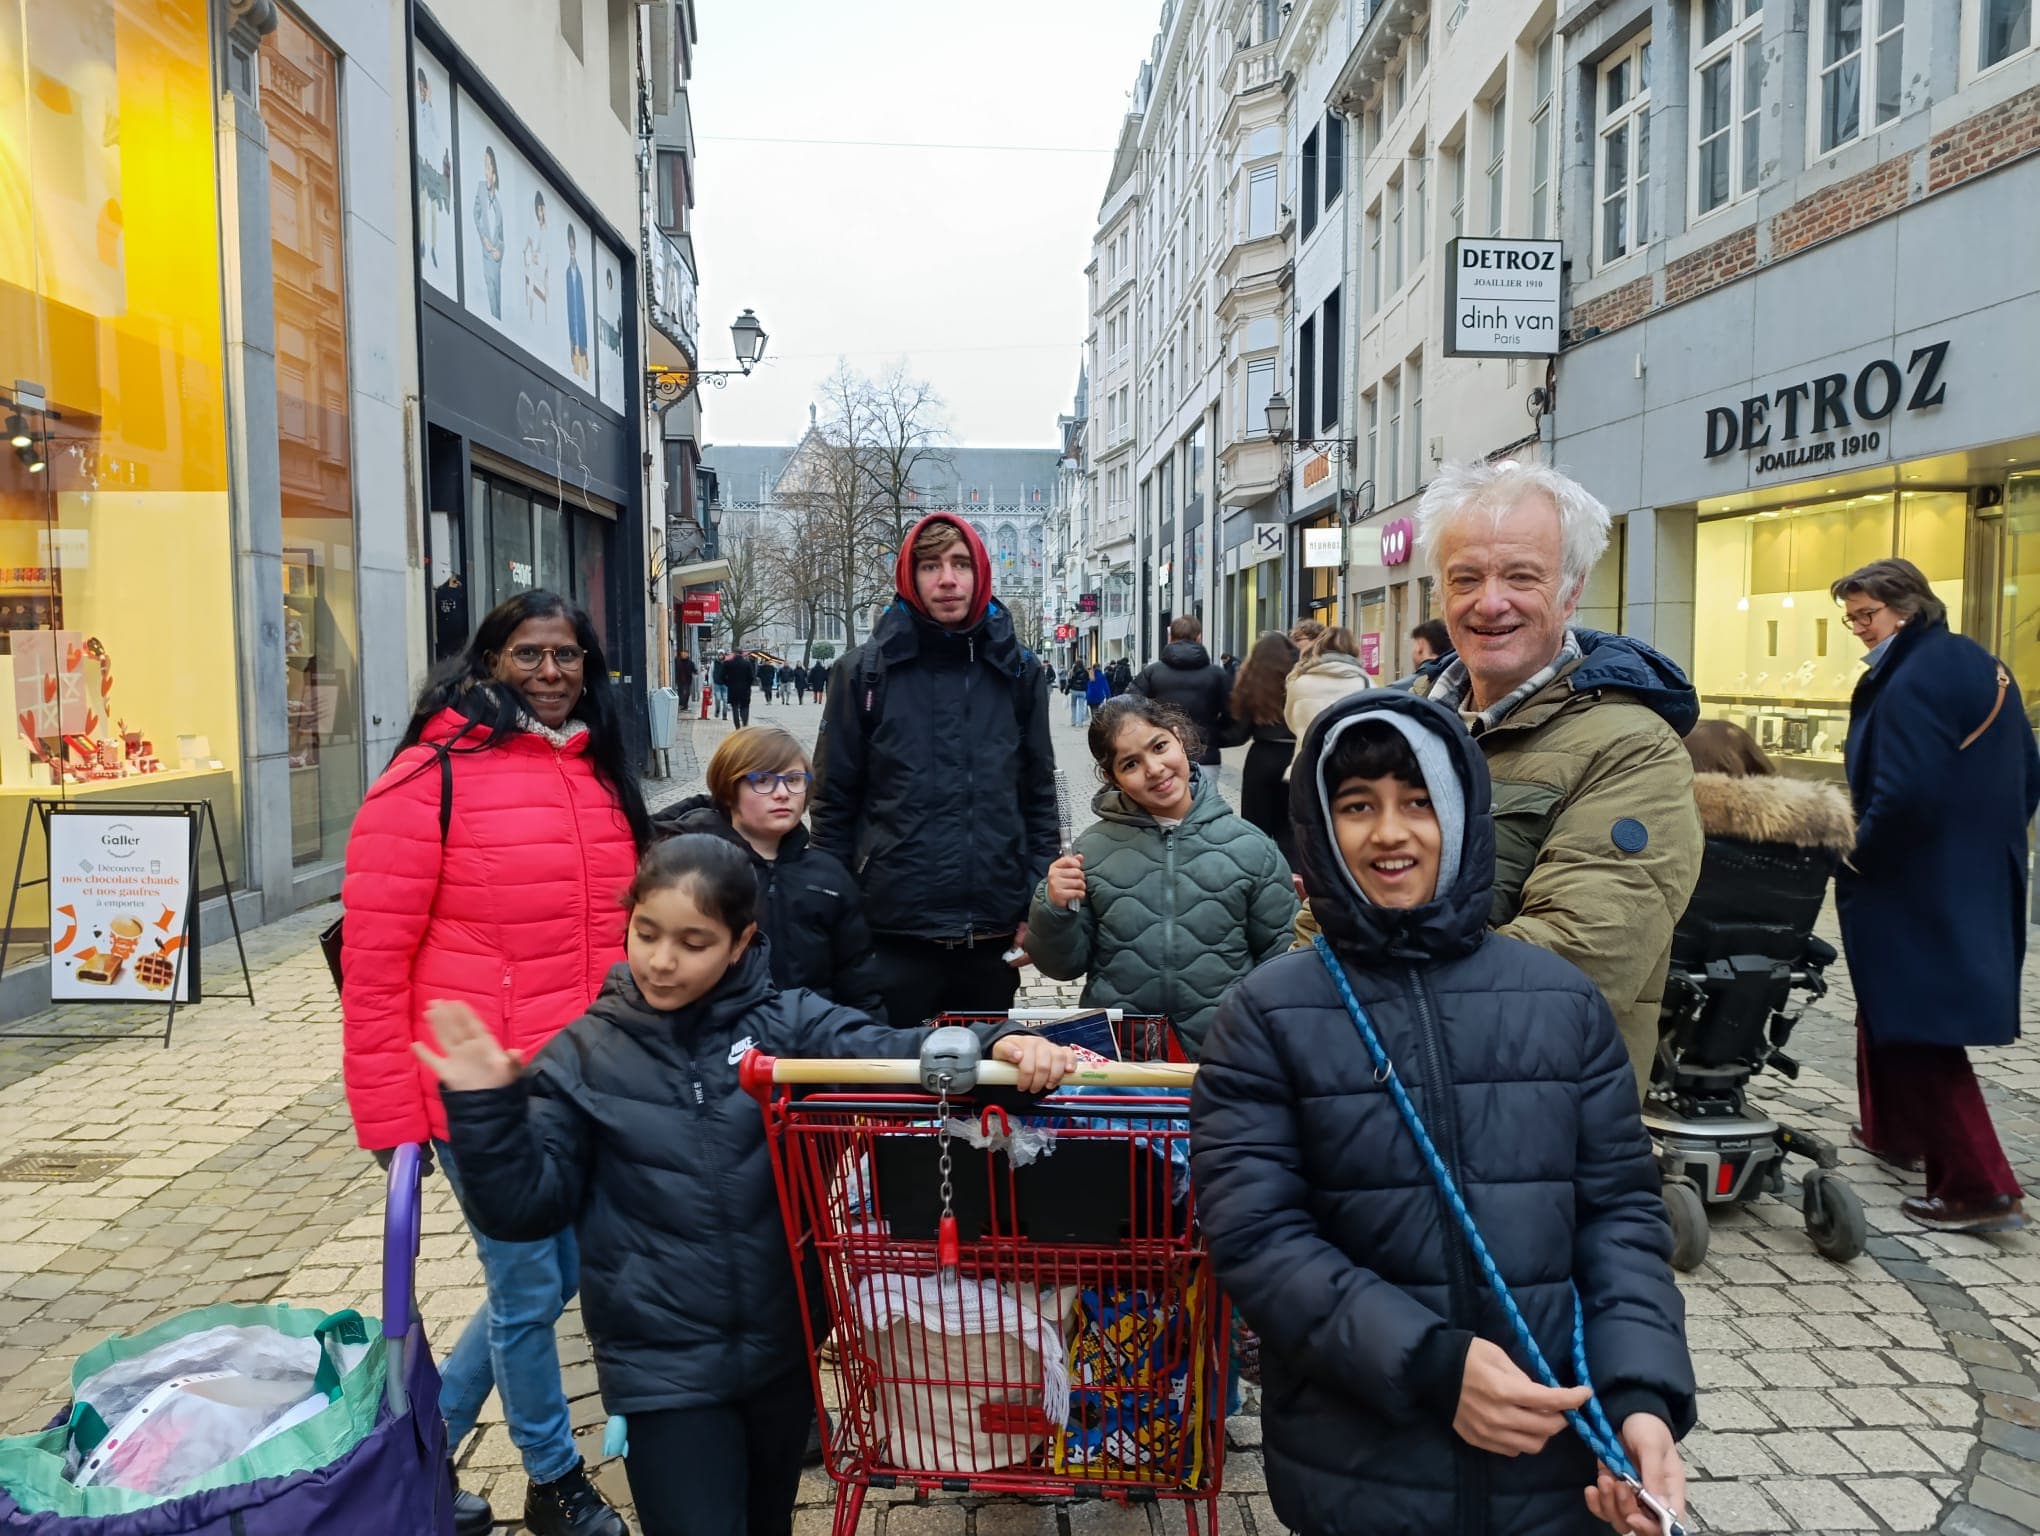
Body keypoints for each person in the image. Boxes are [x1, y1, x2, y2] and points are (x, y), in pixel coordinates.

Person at [418, 835, 1076, 1536]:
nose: (662, 960)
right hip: (661, 1371)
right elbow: (523, 1209)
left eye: (694, 942)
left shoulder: (786, 1023)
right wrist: (487, 1112)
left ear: (740, 943)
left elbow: (894, 1054)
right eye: (647, 933)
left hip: (779, 1353)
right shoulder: (583, 1057)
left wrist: (1002, 1042)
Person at [1191, 689, 1695, 1536]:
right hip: (1360, 1456)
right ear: (1319, 825)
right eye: (1358, 806)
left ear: (1463, 811)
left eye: (1418, 801)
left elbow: (1618, 1218)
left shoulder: (1561, 1004)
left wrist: (1639, 1399)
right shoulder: (1270, 1012)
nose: (1391, 832)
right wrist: (1434, 1366)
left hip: (1555, 1458)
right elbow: (1259, 1236)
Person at [341, 590, 645, 1536]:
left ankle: (421, 1444)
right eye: (529, 655)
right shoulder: (431, 772)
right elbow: (375, 960)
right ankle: (552, 1481)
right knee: (525, 1291)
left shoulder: (596, 772)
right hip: (479, 1084)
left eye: (568, 657)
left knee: (553, 1282)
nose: (552, 674)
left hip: (580, 1078)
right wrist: (393, 1117)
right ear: (488, 663)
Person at [1408, 460, 1702, 1095]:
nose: (1491, 602)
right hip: (1383, 1103)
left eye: (1521, 576)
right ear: (1441, 593)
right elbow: (1327, 910)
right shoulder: (1402, 727)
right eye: (1466, 578)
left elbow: (1576, 958)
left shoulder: (1632, 747)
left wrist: (1360, 1020)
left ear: (1572, 590)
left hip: (1536, 1118)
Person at [1833, 558, 2035, 1233]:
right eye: (1851, 617)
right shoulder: (1977, 661)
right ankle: (1893, 1129)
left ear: (1908, 608)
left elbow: (1904, 792)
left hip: (1915, 878)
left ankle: (1980, 1186)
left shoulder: (1913, 676)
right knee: (1891, 1003)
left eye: (1868, 615)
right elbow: (2029, 772)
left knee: (1920, 1025)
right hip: (1970, 869)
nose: (1859, 628)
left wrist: (1854, 851)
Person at [811, 513, 1056, 1029]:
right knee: (895, 1094)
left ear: (980, 572)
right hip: (893, 931)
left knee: (984, 1091)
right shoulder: (863, 673)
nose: (947, 579)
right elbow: (834, 803)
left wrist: (1034, 903)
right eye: (930, 566)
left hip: (989, 933)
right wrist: (838, 910)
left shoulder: (1019, 672)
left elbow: (1037, 796)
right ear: (910, 576)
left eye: (960, 564)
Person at [1026, 697, 1297, 1058]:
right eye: (1131, 763)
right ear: (1113, 778)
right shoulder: (1089, 853)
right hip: (1121, 1061)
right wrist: (1054, 907)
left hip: (1225, 1058)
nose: (1154, 769)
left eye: (1159, 747)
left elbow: (1282, 961)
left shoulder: (1251, 847)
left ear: (1179, 738)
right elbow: (1062, 966)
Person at [654, 726, 886, 1020]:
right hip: (721, 1042)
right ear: (729, 791)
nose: (782, 794)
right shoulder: (693, 870)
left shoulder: (828, 877)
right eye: (762, 780)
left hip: (811, 1046)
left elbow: (858, 980)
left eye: (793, 780)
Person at [1130, 615, 1233, 792]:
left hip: (1162, 758)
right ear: (1199, 637)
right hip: (1206, 757)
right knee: (1205, 810)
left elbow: (1129, 709)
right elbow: (1236, 715)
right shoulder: (1217, 674)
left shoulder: (1152, 673)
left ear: (1170, 637)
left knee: (1166, 813)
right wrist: (1215, 737)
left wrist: (1149, 740)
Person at [1231, 631, 1300, 862]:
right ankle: (1294, 882)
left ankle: (1258, 878)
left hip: (1262, 756)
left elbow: (1238, 734)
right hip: (1296, 757)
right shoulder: (1301, 675)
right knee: (1290, 829)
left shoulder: (1253, 678)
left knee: (1255, 828)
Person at [1284, 627, 1372, 767]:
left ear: (1318, 647)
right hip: (1349, 765)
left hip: (1306, 763)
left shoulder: (1299, 682)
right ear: (1353, 649)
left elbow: (1291, 721)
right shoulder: (1366, 683)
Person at [724, 649, 757, 728]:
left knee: (734, 707)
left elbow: (722, 676)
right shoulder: (747, 664)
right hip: (745, 690)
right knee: (745, 706)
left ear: (734, 654)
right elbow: (752, 677)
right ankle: (745, 724)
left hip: (733, 689)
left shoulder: (728, 664)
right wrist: (748, 685)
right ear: (742, 654)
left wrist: (728, 683)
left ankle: (737, 727)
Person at [1065, 661, 1093, 727]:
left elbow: (1070, 681)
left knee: (1073, 706)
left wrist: (1067, 690)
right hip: (1082, 691)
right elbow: (1089, 680)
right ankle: (1080, 723)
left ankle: (1073, 722)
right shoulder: (1085, 672)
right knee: (1081, 707)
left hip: (1074, 690)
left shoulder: (1073, 671)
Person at [712, 653, 730, 720]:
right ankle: (717, 710)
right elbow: (711, 672)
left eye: (722, 655)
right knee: (718, 699)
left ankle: (724, 715)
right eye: (719, 655)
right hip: (717, 684)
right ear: (718, 656)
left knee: (725, 701)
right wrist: (711, 683)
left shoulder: (726, 663)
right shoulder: (714, 663)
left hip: (725, 685)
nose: (721, 656)